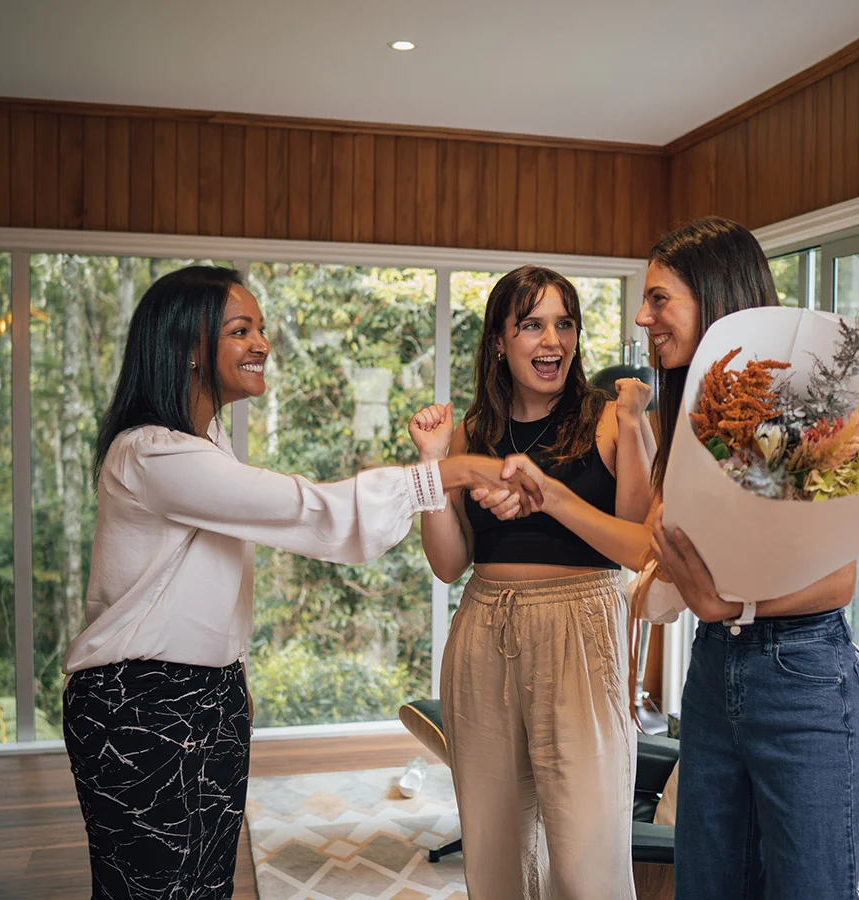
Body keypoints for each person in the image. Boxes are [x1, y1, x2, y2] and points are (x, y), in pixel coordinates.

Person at [60, 265, 538, 900]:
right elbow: (302, 507)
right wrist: (455, 470)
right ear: (187, 348)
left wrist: (231, 680)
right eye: (240, 330)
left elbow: (198, 587)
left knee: (205, 887)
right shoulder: (149, 453)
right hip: (142, 705)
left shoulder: (207, 440)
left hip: (205, 696)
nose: (262, 343)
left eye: (259, 328)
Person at [503, 218, 859, 899]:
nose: (642, 316)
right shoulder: (694, 411)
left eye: (659, 298)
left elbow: (837, 579)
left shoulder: (802, 404)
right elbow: (656, 546)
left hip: (799, 674)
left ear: (714, 295)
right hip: (714, 668)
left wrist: (733, 603)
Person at [406, 265, 654, 899]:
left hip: (580, 626)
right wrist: (433, 465)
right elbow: (447, 562)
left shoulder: (605, 419)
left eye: (564, 324)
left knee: (585, 854)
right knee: (494, 850)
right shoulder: (471, 432)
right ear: (499, 340)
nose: (552, 341)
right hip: (484, 625)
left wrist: (635, 425)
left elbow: (635, 541)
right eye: (532, 325)